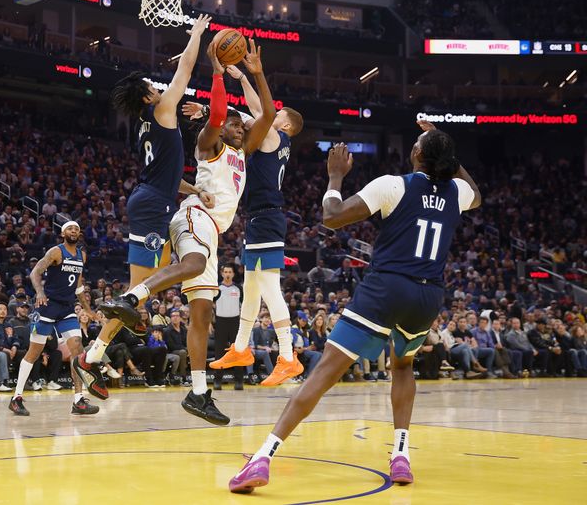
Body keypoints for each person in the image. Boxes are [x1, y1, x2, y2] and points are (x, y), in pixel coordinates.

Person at [229, 119, 481, 492]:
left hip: (387, 287)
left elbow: (332, 218)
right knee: (403, 364)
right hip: (428, 296)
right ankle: (401, 455)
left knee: (324, 371)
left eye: (418, 141)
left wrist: (334, 177)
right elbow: (476, 191)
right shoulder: (456, 192)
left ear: (417, 155)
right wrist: (446, 148)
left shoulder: (393, 185)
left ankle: (263, 457)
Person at [99, 38, 275, 425]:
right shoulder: (207, 143)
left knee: (202, 312)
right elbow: (215, 115)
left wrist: (257, 75)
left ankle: (198, 393)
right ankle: (133, 296)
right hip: (194, 216)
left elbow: (266, 116)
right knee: (193, 262)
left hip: (213, 230)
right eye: (231, 120)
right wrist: (215, 73)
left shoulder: (244, 151)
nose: (236, 123)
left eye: (237, 121)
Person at [77, 15, 214, 394]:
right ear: (147, 96)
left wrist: (192, 191)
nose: (160, 88)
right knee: (145, 288)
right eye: (153, 87)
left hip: (152, 198)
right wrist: (197, 36)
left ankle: (92, 357)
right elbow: (184, 70)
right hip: (152, 205)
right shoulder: (161, 109)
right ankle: (94, 354)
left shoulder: (143, 124)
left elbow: (165, 175)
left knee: (139, 292)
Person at [202, 64, 305, 387]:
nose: (270, 117)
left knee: (269, 288)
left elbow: (257, 112)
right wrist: (244, 79)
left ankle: (288, 356)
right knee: (252, 288)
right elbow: (258, 110)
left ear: (284, 121)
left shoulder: (276, 134)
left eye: (277, 115)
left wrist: (223, 97)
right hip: (261, 217)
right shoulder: (274, 138)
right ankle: (242, 347)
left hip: (268, 216)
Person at [10, 221, 99, 416]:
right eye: (70, 228)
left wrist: (88, 310)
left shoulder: (81, 255)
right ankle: (16, 398)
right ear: (62, 233)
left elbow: (79, 286)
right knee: (34, 352)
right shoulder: (56, 252)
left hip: (67, 308)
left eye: (76, 228)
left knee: (77, 347)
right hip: (48, 306)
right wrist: (40, 292)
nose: (74, 231)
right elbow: (35, 272)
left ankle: (78, 400)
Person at [212, 265, 244, 390]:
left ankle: (239, 381)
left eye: (230, 272)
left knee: (237, 351)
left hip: (235, 322)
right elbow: (210, 304)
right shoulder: (217, 289)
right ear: (222, 274)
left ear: (233, 274)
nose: (228, 274)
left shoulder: (238, 288)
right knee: (219, 352)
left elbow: (244, 304)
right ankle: (217, 380)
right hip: (221, 322)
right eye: (225, 272)